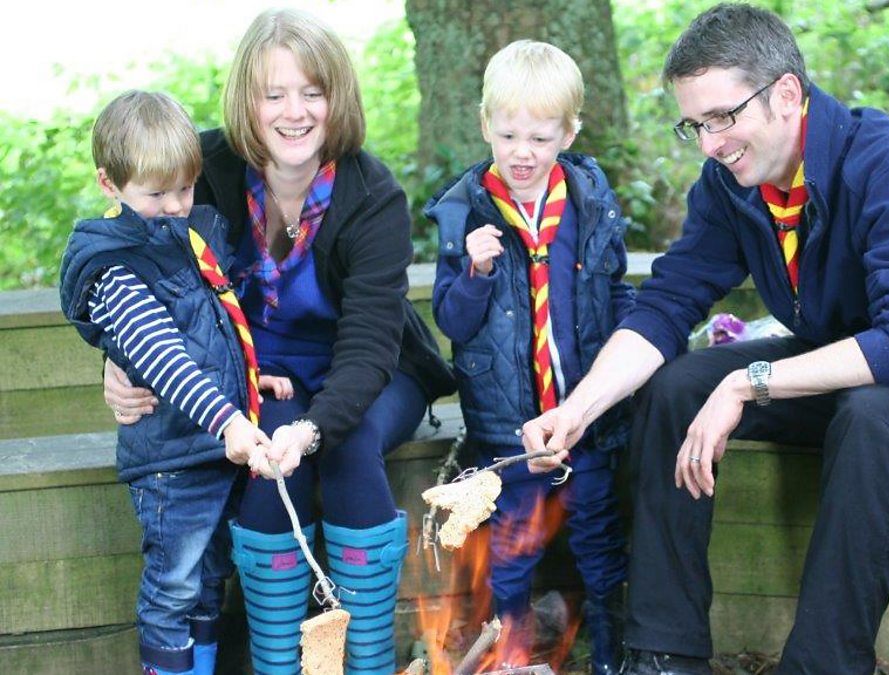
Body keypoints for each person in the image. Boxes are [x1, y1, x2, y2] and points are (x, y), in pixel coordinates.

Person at [522, 4, 889, 674]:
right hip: (853, 357)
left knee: (872, 412)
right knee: (678, 384)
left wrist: (747, 383)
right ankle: (664, 653)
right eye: (696, 125)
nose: (710, 143)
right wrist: (578, 409)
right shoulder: (731, 186)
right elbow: (667, 306)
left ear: (787, 94)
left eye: (723, 117)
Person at [101, 10, 456, 675]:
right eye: (274, 94)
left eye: (312, 92)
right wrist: (117, 361)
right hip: (258, 378)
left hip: (370, 374)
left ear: (336, 98)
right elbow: (129, 258)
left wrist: (315, 429)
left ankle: (367, 662)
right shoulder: (202, 170)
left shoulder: (373, 195)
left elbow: (369, 348)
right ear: (248, 100)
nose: (295, 112)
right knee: (270, 462)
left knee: (347, 443)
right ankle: (278, 664)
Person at [59, 90, 287, 675]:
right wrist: (228, 420)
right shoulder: (116, 268)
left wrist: (251, 376)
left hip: (213, 451)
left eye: (184, 189)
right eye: (156, 194)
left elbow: (214, 326)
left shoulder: (188, 238)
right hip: (171, 463)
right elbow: (165, 358)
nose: (175, 205)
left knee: (211, 580)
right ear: (109, 184)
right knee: (174, 587)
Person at [426, 40, 635, 674]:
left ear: (569, 134)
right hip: (507, 429)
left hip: (585, 422)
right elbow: (451, 320)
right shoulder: (467, 214)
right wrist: (476, 273)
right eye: (508, 135)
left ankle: (611, 655)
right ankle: (512, 656)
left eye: (540, 139)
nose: (522, 152)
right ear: (485, 124)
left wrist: (639, 354)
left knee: (599, 541)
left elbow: (614, 290)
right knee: (512, 551)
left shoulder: (588, 204)